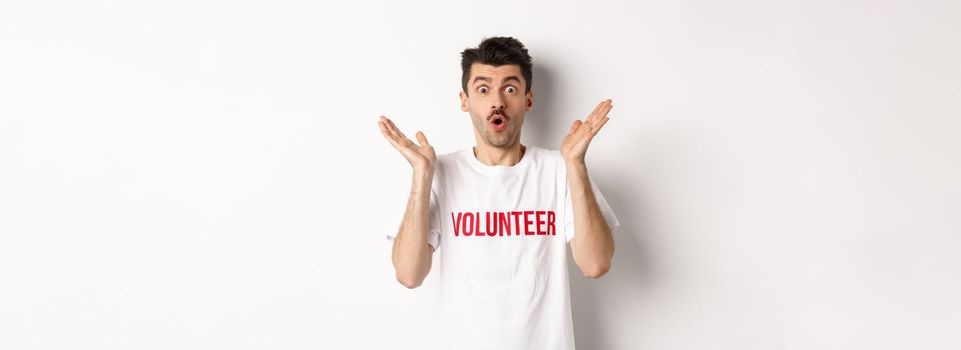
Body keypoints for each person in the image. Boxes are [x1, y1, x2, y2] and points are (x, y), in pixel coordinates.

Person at [377, 36, 620, 350]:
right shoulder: (440, 172)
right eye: (483, 89)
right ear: (465, 101)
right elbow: (409, 275)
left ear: (527, 100)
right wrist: (422, 177)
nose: (497, 102)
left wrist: (575, 163)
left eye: (509, 88)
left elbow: (595, 264)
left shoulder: (559, 169)